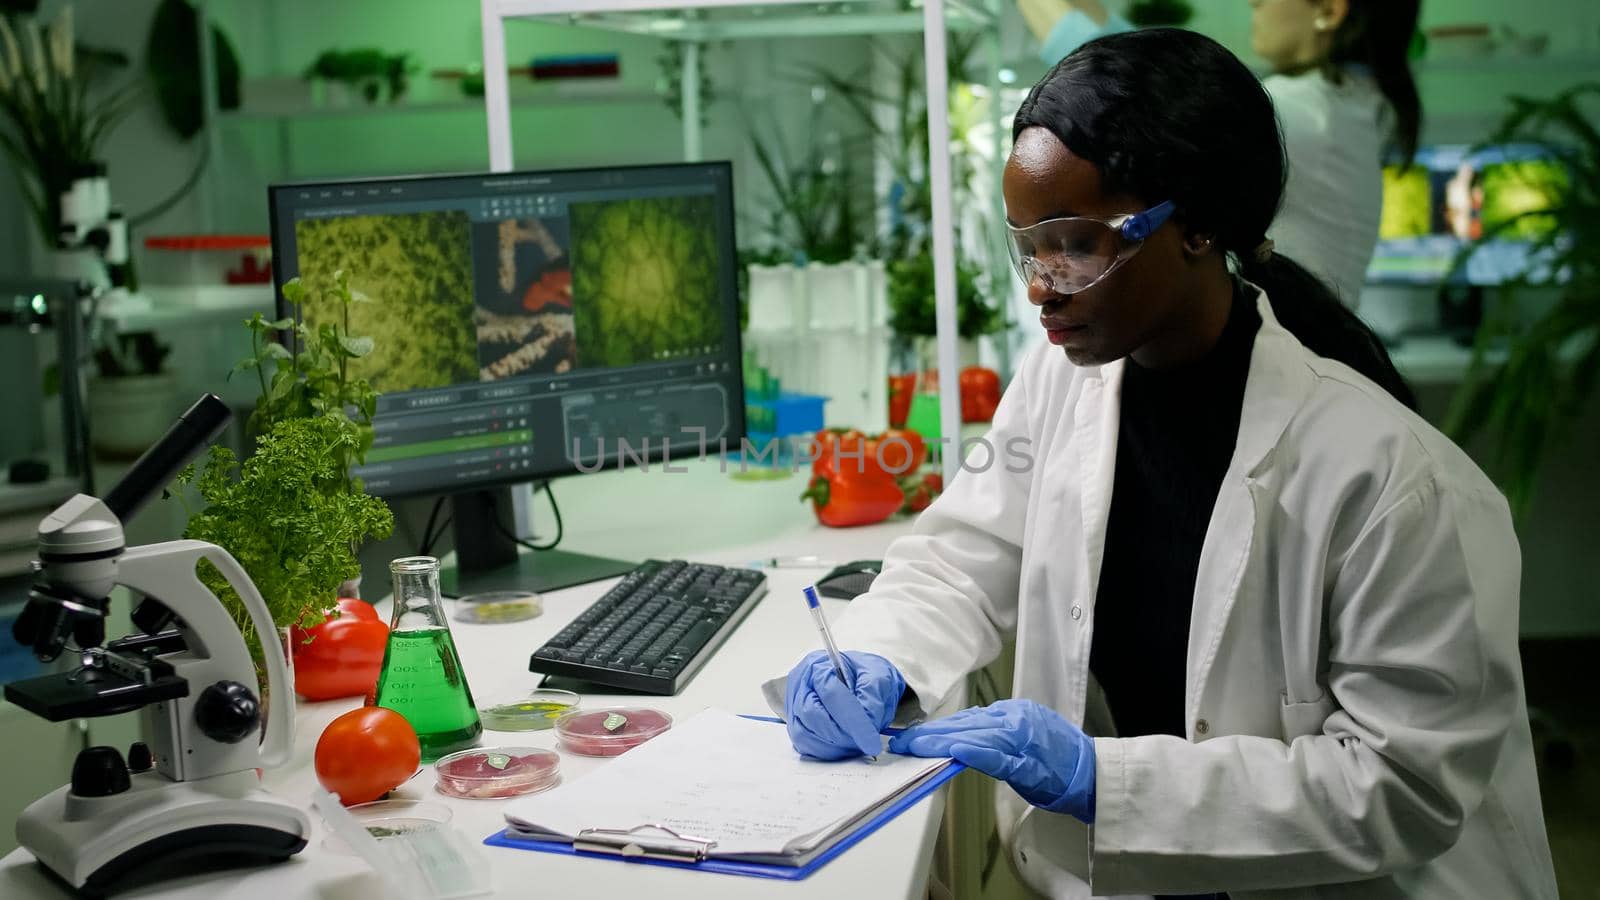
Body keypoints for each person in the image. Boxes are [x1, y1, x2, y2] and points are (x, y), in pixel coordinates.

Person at [769, 28, 1556, 900]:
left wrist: (1107, 784)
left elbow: (1402, 787)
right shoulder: (1060, 386)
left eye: (1076, 242)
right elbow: (962, 559)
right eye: (1027, 243)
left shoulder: (1394, 480)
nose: (1040, 283)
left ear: (1197, 226)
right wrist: (877, 656)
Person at [1017, 0, 1422, 309]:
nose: (1253, 4)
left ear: (1330, 11)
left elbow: (1113, 77)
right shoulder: (1346, 107)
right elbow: (1132, 55)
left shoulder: (1305, 115)